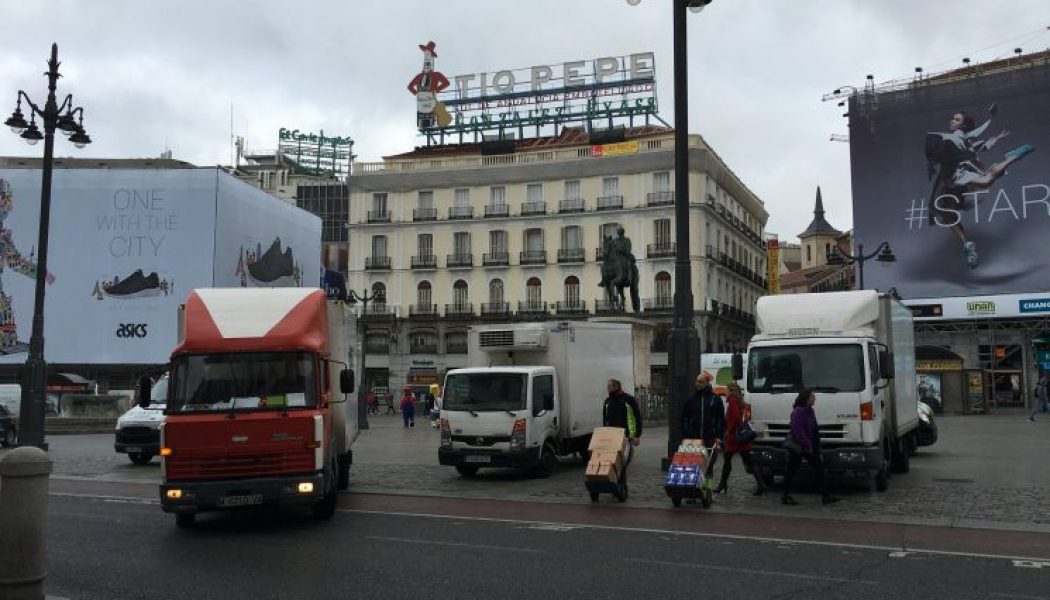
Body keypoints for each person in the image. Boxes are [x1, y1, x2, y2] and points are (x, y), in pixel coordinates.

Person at [925, 103, 1036, 269]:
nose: (952, 121)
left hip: (956, 177)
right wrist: (991, 125)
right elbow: (976, 141)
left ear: (963, 124)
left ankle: (1013, 157)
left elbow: (974, 138)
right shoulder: (958, 138)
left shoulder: (955, 137)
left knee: (985, 182)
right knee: (947, 214)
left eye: (956, 119)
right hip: (950, 181)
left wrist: (990, 121)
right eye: (953, 119)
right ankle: (967, 245)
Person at [781, 389, 839, 506]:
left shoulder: (810, 411)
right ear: (806, 398)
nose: (814, 399)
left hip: (809, 446)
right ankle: (785, 496)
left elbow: (814, 428)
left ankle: (825, 495)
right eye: (812, 397)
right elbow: (798, 431)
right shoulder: (798, 411)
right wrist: (807, 445)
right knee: (792, 470)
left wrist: (816, 446)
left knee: (819, 468)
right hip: (799, 446)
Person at [716, 381, 765, 496]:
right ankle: (761, 483)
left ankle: (722, 485)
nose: (726, 392)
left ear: (731, 391)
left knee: (727, 461)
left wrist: (729, 431)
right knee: (747, 461)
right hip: (740, 438)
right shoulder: (738, 401)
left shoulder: (732, 401)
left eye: (727, 389)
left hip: (734, 438)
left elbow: (736, 419)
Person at [681, 371, 725, 482]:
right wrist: (685, 435)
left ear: (707, 383)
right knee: (693, 467)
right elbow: (685, 419)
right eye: (697, 381)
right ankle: (694, 490)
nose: (697, 383)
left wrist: (719, 438)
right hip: (693, 439)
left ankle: (708, 490)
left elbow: (721, 420)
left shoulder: (715, 400)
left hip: (710, 439)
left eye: (700, 381)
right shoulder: (690, 400)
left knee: (709, 467)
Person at [601, 378, 643, 488]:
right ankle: (612, 482)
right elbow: (605, 420)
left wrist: (637, 435)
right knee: (611, 461)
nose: (607, 388)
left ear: (616, 387)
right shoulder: (607, 401)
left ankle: (622, 486)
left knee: (622, 462)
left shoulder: (629, 400)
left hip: (626, 437)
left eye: (609, 386)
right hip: (611, 438)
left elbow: (637, 417)